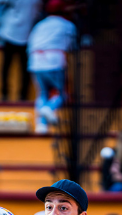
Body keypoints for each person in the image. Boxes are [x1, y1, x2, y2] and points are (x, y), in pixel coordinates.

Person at [27, 0, 77, 133]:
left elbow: (30, 44)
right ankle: (49, 109)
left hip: (35, 61)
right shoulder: (67, 25)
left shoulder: (40, 25)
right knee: (62, 93)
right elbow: (72, 46)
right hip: (54, 61)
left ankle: (41, 125)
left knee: (42, 93)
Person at [0, 0, 42, 101]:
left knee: (21, 68)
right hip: (12, 33)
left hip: (24, 34)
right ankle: (6, 94)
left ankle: (20, 96)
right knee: (8, 67)